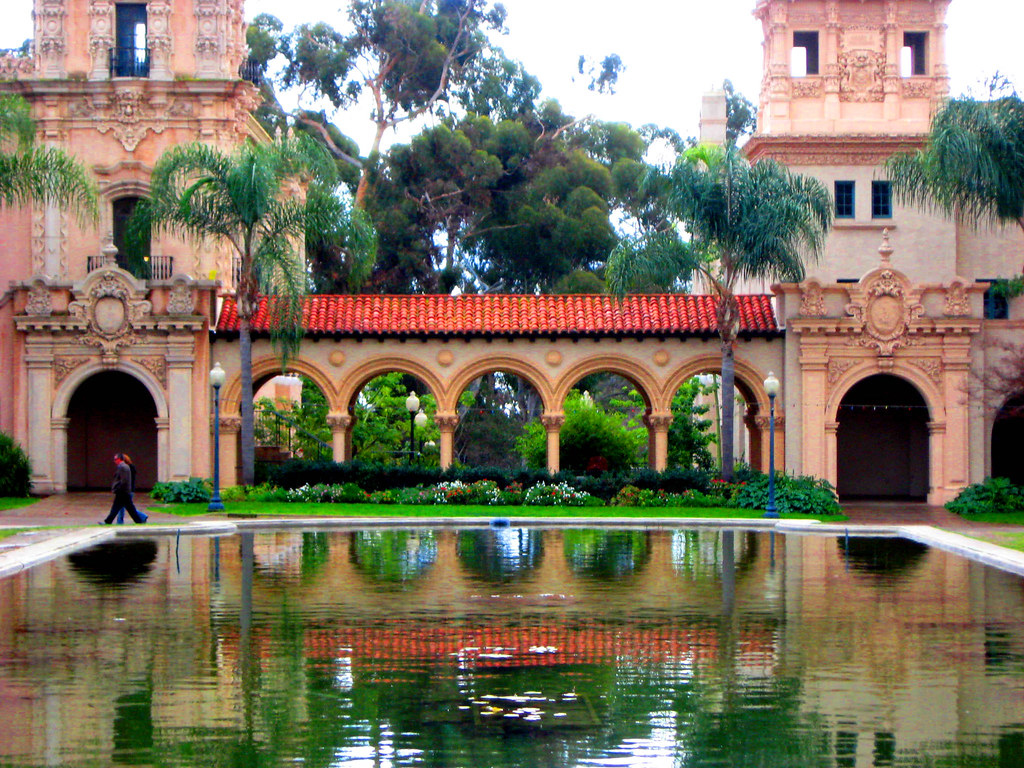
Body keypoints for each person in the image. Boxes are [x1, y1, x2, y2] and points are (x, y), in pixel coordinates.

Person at [101, 453, 147, 524]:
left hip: (122, 492)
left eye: (115, 459)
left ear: (119, 459)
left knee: (120, 508)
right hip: (124, 492)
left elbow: (124, 480)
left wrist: (118, 488)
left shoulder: (123, 467)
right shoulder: (123, 466)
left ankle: (109, 521)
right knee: (127, 508)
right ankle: (138, 521)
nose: (114, 461)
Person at [114, 453, 148, 524]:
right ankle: (142, 517)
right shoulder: (130, 467)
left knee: (125, 506)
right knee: (126, 506)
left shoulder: (126, 468)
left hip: (126, 490)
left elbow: (124, 480)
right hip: (129, 490)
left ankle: (120, 521)